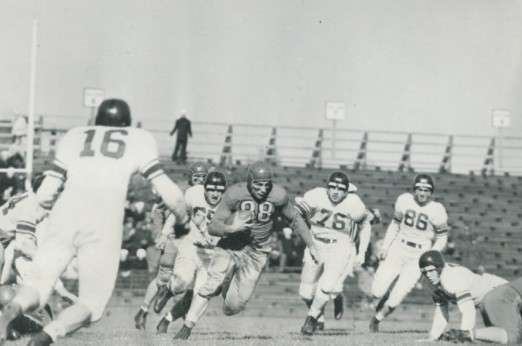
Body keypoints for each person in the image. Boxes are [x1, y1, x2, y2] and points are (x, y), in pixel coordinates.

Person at [0, 98, 190, 346]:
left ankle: (15, 306)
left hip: (64, 212)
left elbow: (46, 193)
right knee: (92, 303)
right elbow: (170, 192)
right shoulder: (138, 139)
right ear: (126, 123)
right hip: (101, 220)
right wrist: (183, 221)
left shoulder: (75, 136)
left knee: (39, 282)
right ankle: (47, 337)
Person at [172, 161, 314, 340]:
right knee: (211, 283)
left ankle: (227, 283)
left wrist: (312, 245)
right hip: (231, 244)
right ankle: (187, 326)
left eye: (266, 185)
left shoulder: (278, 195)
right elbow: (214, 226)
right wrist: (231, 229)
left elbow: (295, 219)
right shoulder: (234, 194)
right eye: (258, 185)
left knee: (232, 307)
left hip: (257, 251)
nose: (262, 189)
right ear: (249, 182)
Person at [369, 174, 449, 332]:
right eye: (419, 189)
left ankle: (377, 320)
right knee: (376, 291)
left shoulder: (437, 209)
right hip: (398, 248)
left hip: (419, 255)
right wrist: (385, 247)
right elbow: (394, 225)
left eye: (426, 189)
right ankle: (383, 297)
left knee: (397, 297)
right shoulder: (404, 200)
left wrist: (431, 255)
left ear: (431, 192)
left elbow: (442, 237)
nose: (422, 193)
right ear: (414, 189)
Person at [295, 172, 371, 335]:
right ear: (327, 188)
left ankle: (311, 319)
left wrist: (362, 252)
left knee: (328, 285)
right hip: (315, 244)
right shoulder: (315, 195)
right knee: (305, 292)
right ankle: (319, 316)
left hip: (340, 246)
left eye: (340, 189)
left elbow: (366, 225)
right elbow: (297, 214)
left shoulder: (354, 204)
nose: (336, 192)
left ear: (346, 191)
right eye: (333, 187)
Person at [133, 161, 208, 330]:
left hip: (194, 240)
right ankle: (143, 310)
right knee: (163, 280)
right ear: (190, 178)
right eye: (198, 178)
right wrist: (159, 234)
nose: (201, 181)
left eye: (204, 178)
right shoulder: (179, 189)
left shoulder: (208, 192)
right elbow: (159, 211)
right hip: (174, 236)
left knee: (191, 286)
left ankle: (171, 318)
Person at [154, 171, 227, 334]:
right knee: (181, 283)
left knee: (200, 295)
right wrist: (165, 233)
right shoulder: (194, 194)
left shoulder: (229, 205)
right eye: (212, 189)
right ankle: (168, 289)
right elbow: (178, 212)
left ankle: (184, 326)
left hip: (211, 256)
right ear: (204, 189)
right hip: (191, 248)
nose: (215, 194)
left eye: (219, 190)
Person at [416, 250, 507, 343]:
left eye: (431, 270)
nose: (428, 275)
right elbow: (441, 311)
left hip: (498, 289)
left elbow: (468, 309)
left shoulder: (452, 278)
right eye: (424, 272)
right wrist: (433, 337)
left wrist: (465, 335)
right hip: (487, 300)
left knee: (510, 334)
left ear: (440, 267)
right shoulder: (427, 283)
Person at [474, 277, 522, 344]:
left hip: (493, 297)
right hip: (503, 298)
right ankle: (466, 334)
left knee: (502, 336)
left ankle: (470, 335)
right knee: (513, 336)